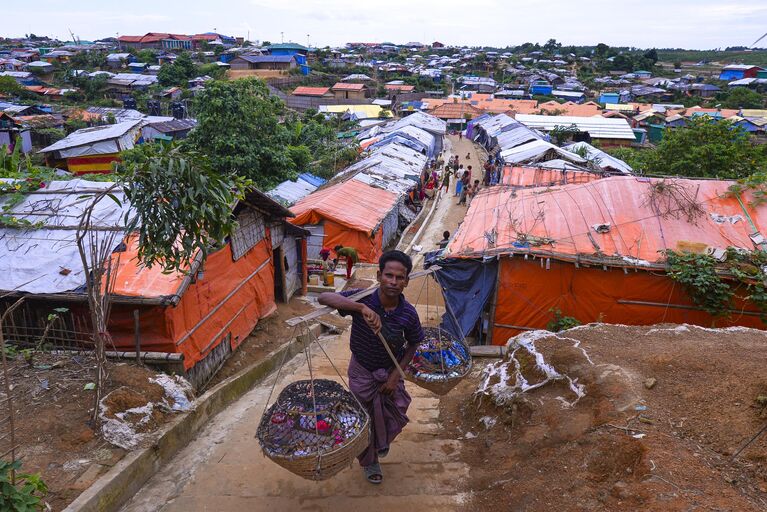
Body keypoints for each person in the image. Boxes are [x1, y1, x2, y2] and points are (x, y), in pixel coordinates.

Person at [318, 251, 424, 485]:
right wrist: (360, 309)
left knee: (397, 409)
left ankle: (380, 442)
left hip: (389, 371)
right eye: (389, 276)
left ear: (406, 281)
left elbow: (415, 341)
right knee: (362, 418)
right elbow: (324, 297)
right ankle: (370, 461)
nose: (393, 282)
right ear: (379, 275)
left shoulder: (408, 313)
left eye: (400, 278)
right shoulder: (363, 298)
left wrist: (396, 375)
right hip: (362, 372)